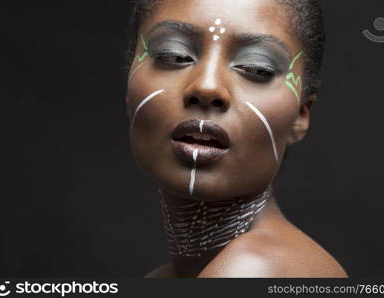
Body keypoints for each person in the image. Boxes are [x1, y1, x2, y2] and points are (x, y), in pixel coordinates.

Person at [125, 0, 347, 278]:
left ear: (300, 115)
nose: (207, 86)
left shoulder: (252, 270)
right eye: (173, 55)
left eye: (258, 68)